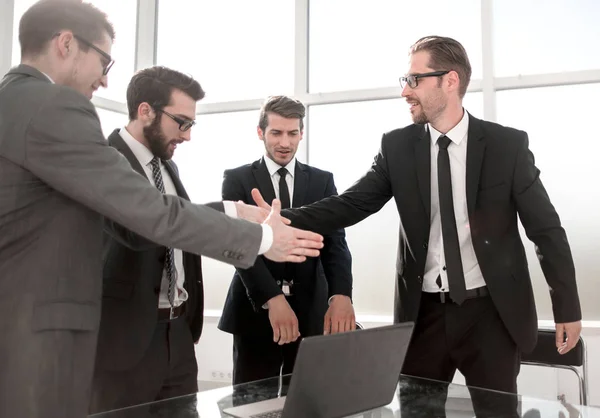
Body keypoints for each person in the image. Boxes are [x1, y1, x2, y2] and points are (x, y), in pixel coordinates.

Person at [0, 1, 323, 417]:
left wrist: (230, 211)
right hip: (49, 338)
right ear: (66, 43)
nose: (103, 79)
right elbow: (148, 216)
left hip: (132, 334)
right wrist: (262, 238)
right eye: (103, 60)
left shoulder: (13, 100)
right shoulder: (54, 107)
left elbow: (143, 212)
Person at [252, 36, 582, 417]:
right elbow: (352, 204)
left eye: (414, 80)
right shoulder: (397, 147)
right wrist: (282, 219)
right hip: (423, 315)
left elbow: (546, 230)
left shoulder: (506, 146)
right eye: (404, 80)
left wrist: (567, 308)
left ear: (450, 81)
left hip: (491, 315)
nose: (404, 91)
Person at [90, 66, 211, 413]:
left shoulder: (168, 166)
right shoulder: (101, 159)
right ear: (146, 111)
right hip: (121, 342)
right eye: (181, 122)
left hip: (178, 335)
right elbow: (139, 231)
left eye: (191, 125)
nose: (187, 136)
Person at [218, 96, 355, 385]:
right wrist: (273, 299)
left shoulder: (322, 181)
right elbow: (238, 246)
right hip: (255, 311)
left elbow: (336, 244)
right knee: (251, 406)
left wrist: (341, 295)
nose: (285, 142)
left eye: (293, 133)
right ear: (260, 132)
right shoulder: (237, 178)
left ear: (302, 133)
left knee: (308, 403)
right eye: (276, 133)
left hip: (310, 311)